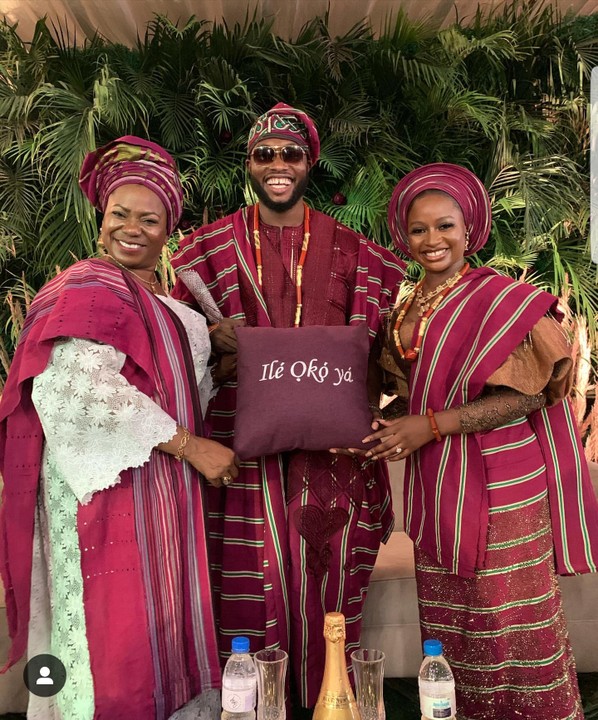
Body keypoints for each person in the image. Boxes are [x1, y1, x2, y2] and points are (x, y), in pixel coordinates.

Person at [170, 103, 405, 709]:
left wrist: (400, 413)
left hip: (333, 455)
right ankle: (253, 703)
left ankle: (331, 701)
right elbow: (174, 349)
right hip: (239, 451)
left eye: (290, 154)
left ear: (309, 162)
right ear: (249, 164)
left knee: (330, 578)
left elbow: (392, 350)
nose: (278, 164)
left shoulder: (356, 253)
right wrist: (212, 337)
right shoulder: (205, 252)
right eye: (264, 154)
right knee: (250, 580)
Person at [0, 135, 239, 720]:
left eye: (149, 220)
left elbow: (182, 396)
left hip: (164, 490)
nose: (132, 229)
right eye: (119, 215)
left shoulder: (175, 310)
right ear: (101, 219)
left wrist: (226, 359)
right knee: (115, 634)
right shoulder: (84, 287)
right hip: (105, 493)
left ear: (168, 229)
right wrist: (194, 448)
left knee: (164, 622)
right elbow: (74, 390)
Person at [365, 162, 598, 719]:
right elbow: (415, 395)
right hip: (436, 481)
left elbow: (530, 395)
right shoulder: (405, 307)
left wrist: (430, 426)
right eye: (419, 229)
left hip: (503, 484)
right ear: (403, 236)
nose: (433, 239)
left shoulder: (502, 300)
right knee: (454, 620)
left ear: (469, 228)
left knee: (509, 617)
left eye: (445, 226)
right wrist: (376, 425)